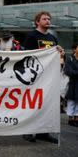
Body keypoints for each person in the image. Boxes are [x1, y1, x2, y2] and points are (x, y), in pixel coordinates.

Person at [22, 11, 65, 143]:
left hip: (49, 77)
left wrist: (61, 53)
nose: (48, 21)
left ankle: (43, 132)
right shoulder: (32, 36)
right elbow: (26, 55)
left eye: (49, 19)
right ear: (37, 22)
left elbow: (55, 55)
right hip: (35, 76)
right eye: (44, 19)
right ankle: (27, 131)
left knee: (46, 104)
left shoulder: (53, 38)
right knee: (32, 103)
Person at [64, 44, 78, 127]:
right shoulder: (70, 59)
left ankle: (76, 118)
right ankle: (70, 119)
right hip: (72, 83)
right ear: (75, 50)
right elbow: (68, 71)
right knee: (71, 101)